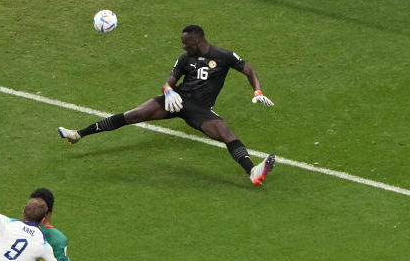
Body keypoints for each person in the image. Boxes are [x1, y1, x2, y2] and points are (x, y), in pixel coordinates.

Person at [57, 24, 276, 185]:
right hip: (176, 101)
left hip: (200, 109)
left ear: (197, 41)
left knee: (226, 134)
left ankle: (252, 171)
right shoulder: (184, 59)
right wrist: (168, 91)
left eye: (185, 42)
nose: (182, 45)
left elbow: (249, 70)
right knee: (131, 115)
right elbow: (169, 82)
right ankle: (78, 134)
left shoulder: (224, 56)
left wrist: (257, 90)